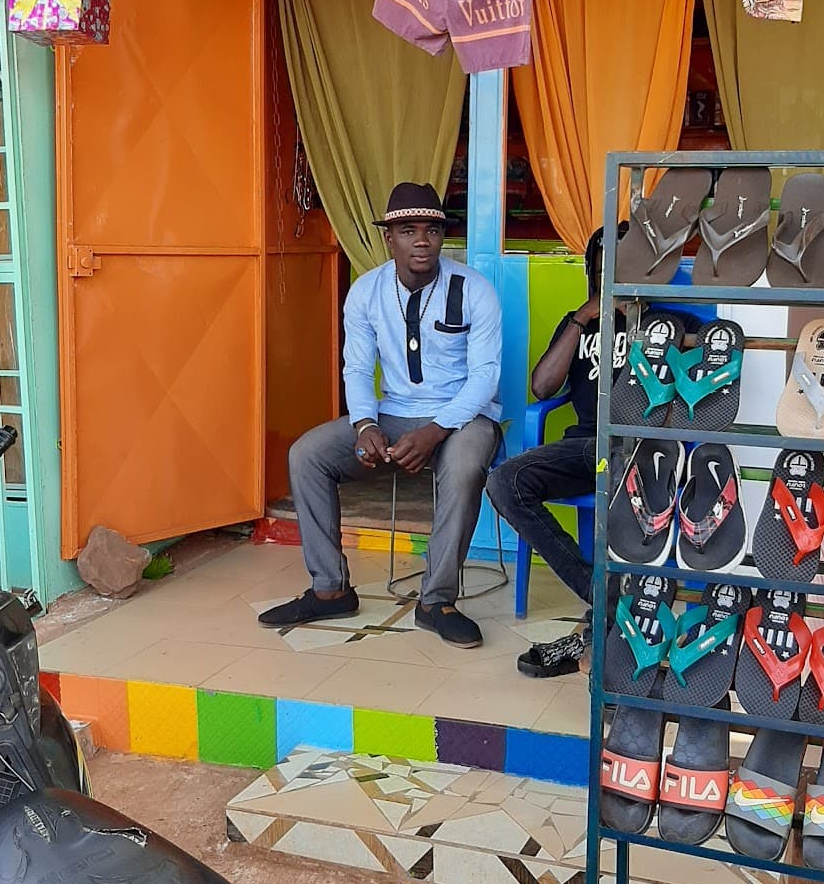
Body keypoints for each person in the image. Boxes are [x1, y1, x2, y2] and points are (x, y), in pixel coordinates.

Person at [261, 181, 502, 649]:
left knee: (465, 462)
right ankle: (330, 589)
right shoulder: (366, 292)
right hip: (392, 415)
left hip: (463, 419)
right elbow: (356, 366)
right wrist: (365, 423)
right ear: (388, 239)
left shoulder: (475, 291)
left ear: (442, 237)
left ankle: (436, 602)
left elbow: (485, 377)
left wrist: (435, 431)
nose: (422, 240)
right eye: (408, 230)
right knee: (307, 454)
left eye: (432, 230)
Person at [486, 225, 627, 679]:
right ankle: (596, 592)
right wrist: (583, 318)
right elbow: (542, 386)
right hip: (583, 449)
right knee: (504, 481)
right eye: (601, 267)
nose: (609, 277)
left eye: (620, 266)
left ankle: (601, 625)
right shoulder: (579, 320)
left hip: (632, 451)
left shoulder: (658, 324)